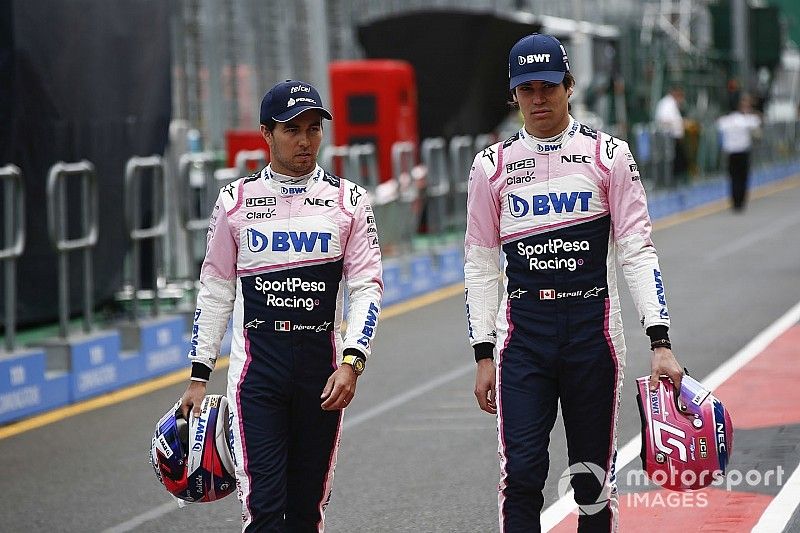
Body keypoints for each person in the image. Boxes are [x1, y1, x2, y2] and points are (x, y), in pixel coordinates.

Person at [464, 33, 683, 532]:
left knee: (592, 479)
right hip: (522, 334)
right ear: (513, 95)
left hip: (592, 330)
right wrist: (482, 353)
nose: (538, 100)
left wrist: (661, 340)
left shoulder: (609, 155)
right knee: (520, 474)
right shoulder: (489, 166)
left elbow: (637, 250)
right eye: (526, 90)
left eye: (547, 87)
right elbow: (479, 263)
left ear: (569, 86)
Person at [180, 79, 383, 531]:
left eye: (313, 128)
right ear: (266, 134)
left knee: (308, 510)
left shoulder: (349, 202)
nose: (305, 140)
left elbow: (367, 287)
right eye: (292, 129)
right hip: (258, 373)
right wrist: (199, 375)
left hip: (322, 371)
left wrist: (353, 362)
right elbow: (214, 289)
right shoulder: (235, 201)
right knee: (265, 509)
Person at [716, 93, 761, 211]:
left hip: (731, 153)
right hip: (742, 152)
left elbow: (719, 128)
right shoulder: (746, 120)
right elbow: (757, 124)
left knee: (733, 178)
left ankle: (735, 201)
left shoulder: (725, 121)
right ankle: (740, 200)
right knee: (743, 177)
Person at [655, 85, 688, 182]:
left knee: (680, 160)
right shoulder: (666, 104)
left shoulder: (672, 103)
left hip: (674, 137)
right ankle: (672, 180)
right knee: (674, 160)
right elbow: (663, 120)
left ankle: (677, 180)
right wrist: (675, 125)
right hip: (668, 138)